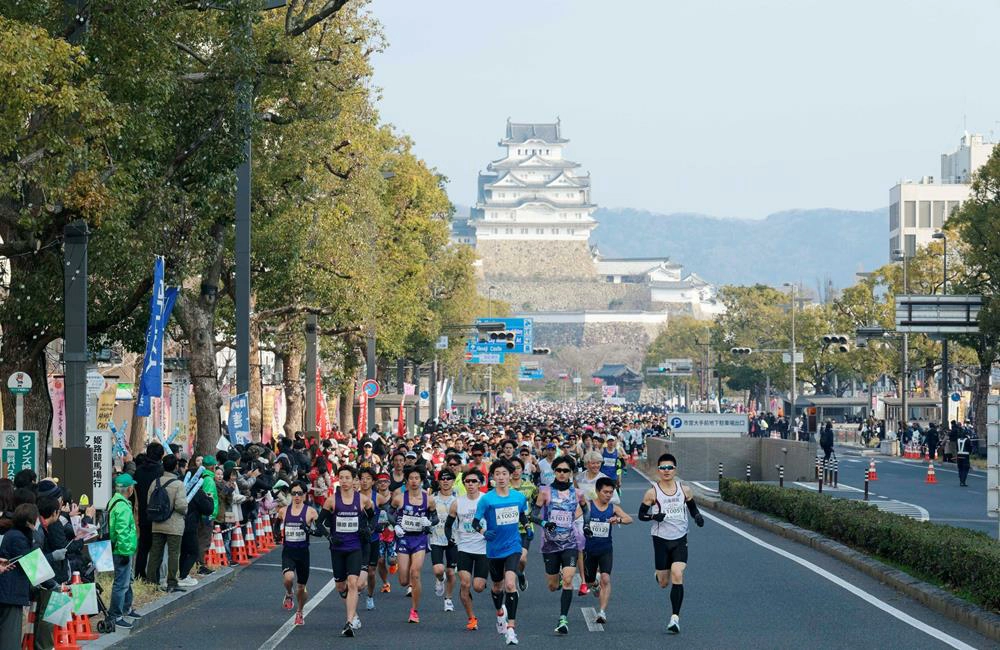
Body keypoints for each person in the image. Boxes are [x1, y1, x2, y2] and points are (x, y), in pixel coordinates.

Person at [639, 453, 704, 634]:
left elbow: (692, 508)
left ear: (675, 470)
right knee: (663, 582)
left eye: (670, 468)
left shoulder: (685, 490)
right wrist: (653, 516)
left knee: (677, 573)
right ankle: (659, 574)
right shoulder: (652, 492)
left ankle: (675, 618)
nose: (666, 471)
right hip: (660, 540)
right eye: (663, 468)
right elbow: (641, 515)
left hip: (680, 539)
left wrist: (697, 517)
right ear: (658, 470)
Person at [473, 458, 530, 646]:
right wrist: (483, 532)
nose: (501, 477)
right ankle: (499, 612)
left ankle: (511, 630)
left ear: (510, 475)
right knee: (497, 587)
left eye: (504, 473)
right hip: (494, 549)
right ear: (493, 477)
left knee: (510, 584)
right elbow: (475, 522)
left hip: (513, 545)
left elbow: (522, 515)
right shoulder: (487, 499)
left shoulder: (519, 497)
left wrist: (527, 526)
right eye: (497, 474)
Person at [319, 466, 374, 636]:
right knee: (340, 586)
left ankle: (349, 622)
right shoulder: (331, 501)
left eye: (347, 478)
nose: (344, 481)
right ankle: (353, 613)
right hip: (337, 548)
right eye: (341, 478)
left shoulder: (363, 500)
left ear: (353, 480)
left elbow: (373, 519)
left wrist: (368, 530)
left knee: (353, 583)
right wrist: (329, 536)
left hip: (355, 547)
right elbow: (320, 523)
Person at [533, 455, 585, 635]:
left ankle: (563, 618)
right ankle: (559, 579)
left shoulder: (577, 493)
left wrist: (581, 522)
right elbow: (532, 515)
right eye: (559, 470)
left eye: (566, 471)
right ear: (554, 471)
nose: (562, 474)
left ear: (571, 473)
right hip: (550, 544)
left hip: (570, 542)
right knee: (553, 585)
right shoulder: (545, 491)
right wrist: (545, 523)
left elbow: (585, 508)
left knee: (569, 579)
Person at [389, 466, 437, 623]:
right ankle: (401, 569)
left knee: (415, 573)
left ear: (422, 480)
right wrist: (395, 525)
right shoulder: (399, 498)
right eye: (411, 478)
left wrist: (429, 522)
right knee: (404, 580)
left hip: (420, 539)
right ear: (407, 481)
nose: (414, 481)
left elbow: (435, 518)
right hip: (403, 538)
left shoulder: (428, 499)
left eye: (417, 478)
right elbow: (389, 513)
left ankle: (414, 611)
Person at [583, 476, 632, 623]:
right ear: (597, 492)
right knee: (590, 582)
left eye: (611, 492)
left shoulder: (613, 508)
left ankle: (602, 612)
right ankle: (595, 584)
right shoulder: (589, 506)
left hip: (605, 549)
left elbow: (630, 519)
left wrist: (618, 520)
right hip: (588, 550)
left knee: (606, 578)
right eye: (605, 492)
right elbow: (575, 517)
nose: (608, 495)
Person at [446, 469, 488, 631]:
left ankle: (482, 582)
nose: (470, 484)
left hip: (483, 548)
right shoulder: (457, 502)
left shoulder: (486, 500)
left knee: (477, 587)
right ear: (464, 483)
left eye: (474, 481)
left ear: (480, 483)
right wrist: (451, 538)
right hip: (464, 547)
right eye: (467, 481)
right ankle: (471, 618)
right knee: (465, 583)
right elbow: (448, 525)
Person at [277, 480, 318, 626]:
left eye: (299, 493)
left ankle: (300, 612)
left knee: (301, 587)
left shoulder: (311, 512)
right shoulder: (284, 511)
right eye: (293, 493)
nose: (296, 496)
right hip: (288, 551)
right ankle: (289, 594)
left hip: (303, 553)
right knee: (288, 578)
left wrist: (309, 530)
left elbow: (319, 531)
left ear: (304, 495)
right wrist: (277, 533)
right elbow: (276, 524)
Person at [146, 454, 187, 593]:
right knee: (174, 553)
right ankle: (172, 582)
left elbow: (149, 502)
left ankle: (151, 581)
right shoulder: (178, 484)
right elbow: (181, 506)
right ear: (176, 466)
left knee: (155, 553)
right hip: (174, 525)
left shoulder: (155, 482)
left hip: (157, 523)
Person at [0, 504, 37, 648]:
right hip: (10, 593)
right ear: (29, 521)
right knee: (10, 638)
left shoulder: (14, 534)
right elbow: (31, 563)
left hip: (9, 592)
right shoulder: (18, 537)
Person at [108, 473, 140, 629]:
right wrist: (126, 552)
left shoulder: (116, 502)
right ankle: (116, 614)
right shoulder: (122, 506)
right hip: (122, 550)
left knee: (127, 581)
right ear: (129, 489)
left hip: (120, 549)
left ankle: (126, 608)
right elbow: (122, 531)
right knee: (121, 583)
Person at [430, 469, 458, 612]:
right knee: (438, 570)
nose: (445, 481)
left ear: (453, 481)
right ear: (439, 482)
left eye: (448, 479)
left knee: (451, 572)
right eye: (442, 479)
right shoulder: (432, 499)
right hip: (436, 538)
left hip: (454, 539)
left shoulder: (458, 500)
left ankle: (448, 599)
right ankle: (440, 579)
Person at [508, 456, 537, 592]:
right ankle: (512, 585)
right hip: (508, 528)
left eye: (518, 468)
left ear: (522, 470)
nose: (515, 471)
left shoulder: (530, 486)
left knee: (522, 558)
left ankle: (520, 574)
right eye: (512, 468)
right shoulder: (504, 487)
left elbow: (537, 502)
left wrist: (534, 515)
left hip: (525, 528)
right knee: (510, 559)